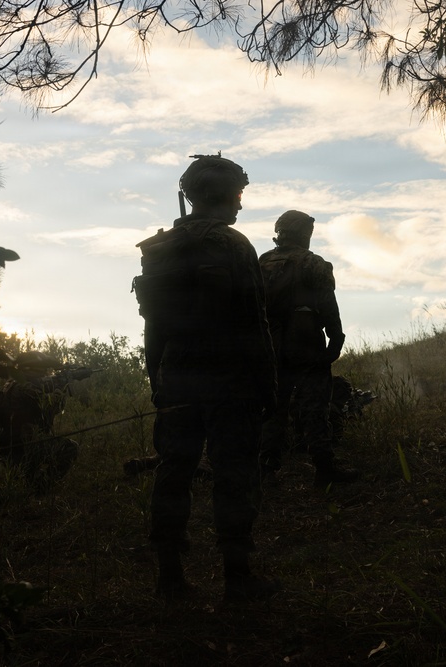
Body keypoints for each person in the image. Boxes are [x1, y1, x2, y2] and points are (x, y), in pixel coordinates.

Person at [137, 154, 279, 602]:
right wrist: (268, 385)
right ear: (223, 194)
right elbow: (256, 323)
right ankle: (238, 578)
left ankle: (170, 577)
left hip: (177, 375)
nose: (240, 202)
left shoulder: (160, 249)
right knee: (234, 474)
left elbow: (153, 324)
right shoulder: (234, 246)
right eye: (238, 192)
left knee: (173, 471)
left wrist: (156, 377)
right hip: (231, 378)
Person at [258, 210, 359, 488]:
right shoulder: (313, 263)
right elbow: (328, 304)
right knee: (315, 407)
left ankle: (266, 470)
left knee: (273, 408)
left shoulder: (262, 262)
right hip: (305, 342)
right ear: (305, 234)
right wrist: (335, 339)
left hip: (271, 344)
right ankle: (324, 469)